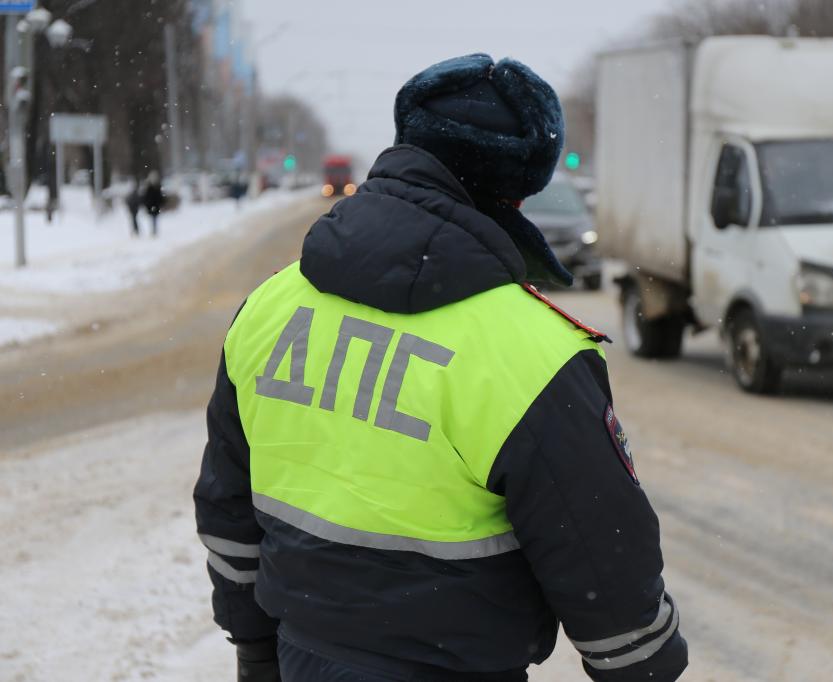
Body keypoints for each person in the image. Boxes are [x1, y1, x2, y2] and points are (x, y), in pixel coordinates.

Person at [194, 53, 688, 682]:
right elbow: (603, 565)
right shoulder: (533, 353)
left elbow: (228, 509)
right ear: (520, 187)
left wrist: (255, 647)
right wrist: (645, 664)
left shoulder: (271, 306)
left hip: (304, 657)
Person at [142, 170, 164, 236]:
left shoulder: (156, 186)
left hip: (154, 205)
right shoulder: (150, 187)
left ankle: (154, 230)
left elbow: (159, 196)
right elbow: (146, 197)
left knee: (154, 218)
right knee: (153, 218)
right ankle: (154, 230)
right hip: (151, 205)